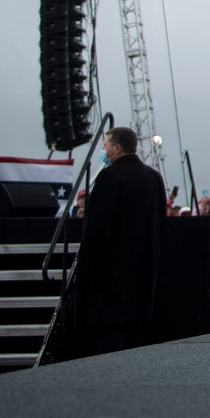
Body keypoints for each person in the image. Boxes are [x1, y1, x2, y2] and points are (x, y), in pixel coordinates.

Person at [68, 126, 165, 356]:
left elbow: (96, 228)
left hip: (110, 280)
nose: (103, 150)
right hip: (143, 275)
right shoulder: (154, 178)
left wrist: (84, 270)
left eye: (105, 146)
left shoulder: (110, 176)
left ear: (117, 148)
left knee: (109, 344)